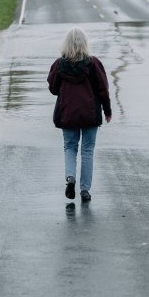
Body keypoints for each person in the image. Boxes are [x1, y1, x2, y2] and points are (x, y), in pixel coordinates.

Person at [47, 27, 112, 202]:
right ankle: (85, 190)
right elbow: (103, 90)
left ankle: (70, 178)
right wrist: (107, 110)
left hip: (67, 113)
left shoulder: (59, 65)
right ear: (85, 43)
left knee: (70, 147)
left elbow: (53, 89)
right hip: (90, 114)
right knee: (87, 150)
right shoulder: (93, 64)